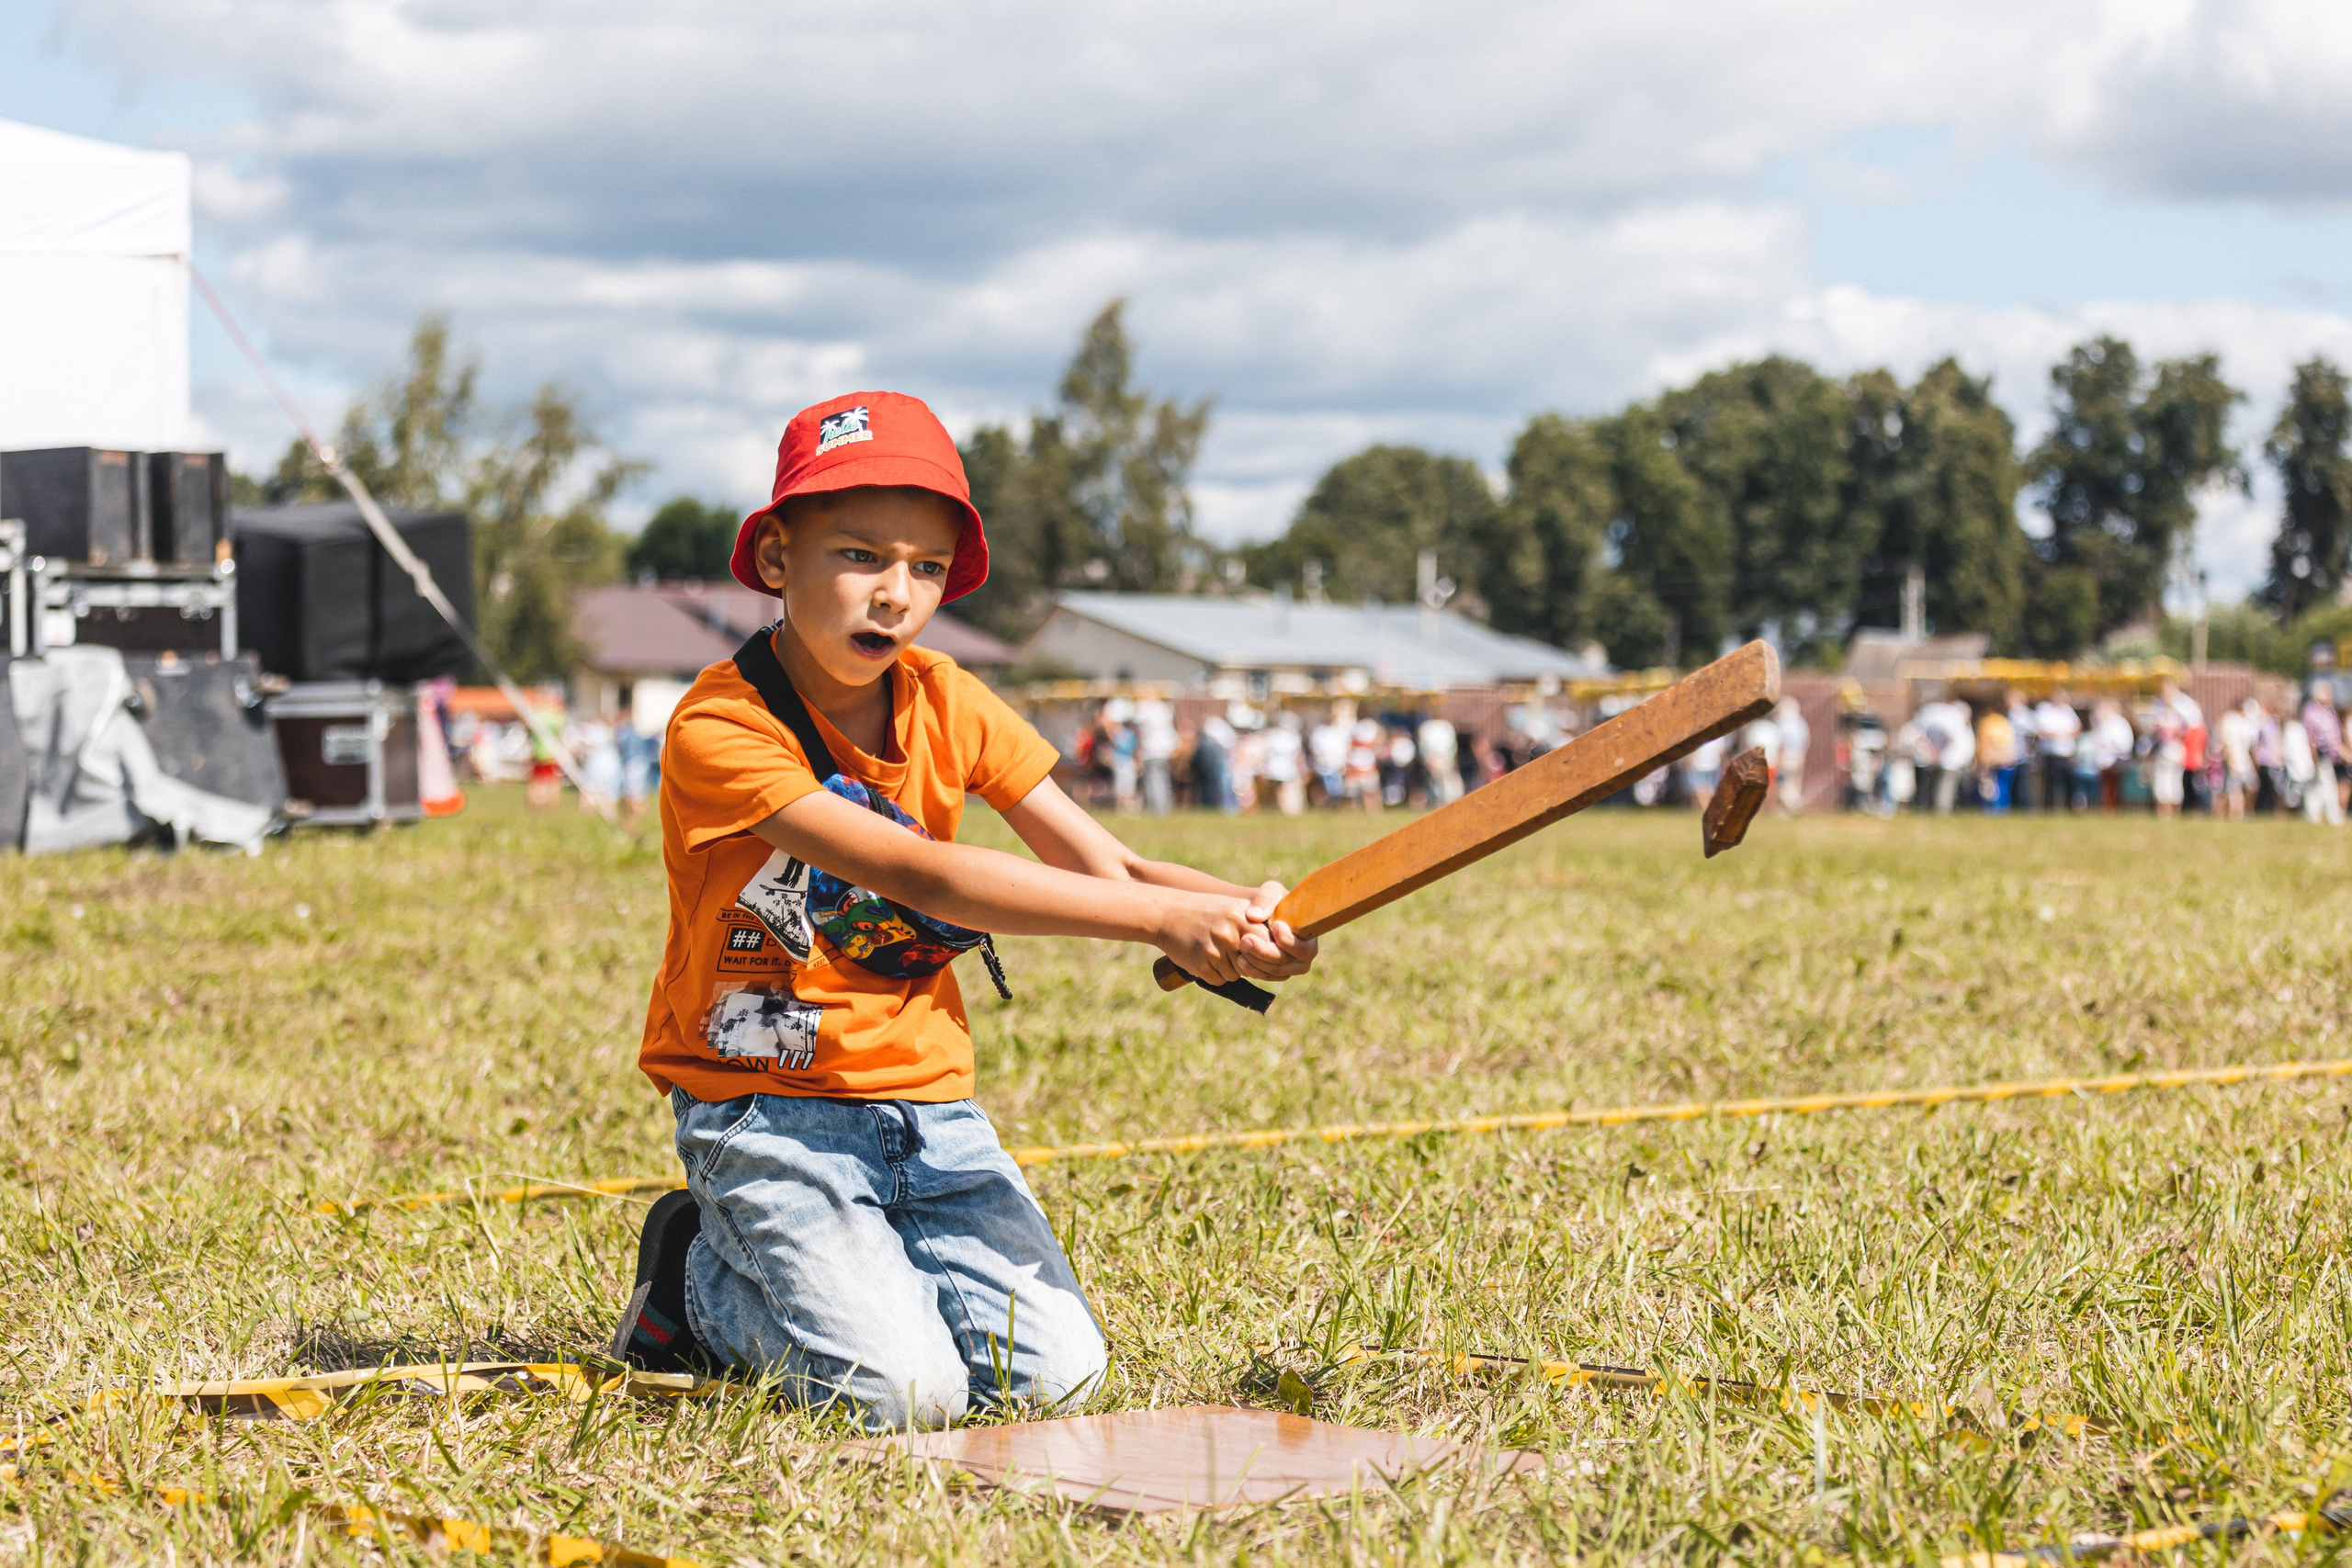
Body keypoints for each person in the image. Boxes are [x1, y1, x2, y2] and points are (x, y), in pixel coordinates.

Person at [614, 392, 1317, 1432]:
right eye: (859, 555)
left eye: (928, 567)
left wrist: (1250, 913)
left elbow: (1106, 862)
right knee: (900, 1396)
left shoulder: (951, 699)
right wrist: (1165, 925)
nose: (897, 594)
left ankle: (855, 1273)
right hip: (765, 1110)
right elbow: (920, 875)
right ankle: (691, 1282)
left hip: (928, 1111)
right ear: (774, 558)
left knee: (1057, 1383)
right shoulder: (719, 726)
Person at [2302, 680, 2345, 825]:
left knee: (2318, 786)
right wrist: (2312, 757)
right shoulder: (2311, 711)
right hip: (2320, 753)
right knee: (2328, 785)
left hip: (2330, 755)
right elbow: (2311, 737)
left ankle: (2313, 815)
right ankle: (2334, 816)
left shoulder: (2329, 711)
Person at [2035, 691, 2082, 811]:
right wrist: (2057, 734)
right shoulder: (2045, 710)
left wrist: (2063, 734)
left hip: (2066, 754)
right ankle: (2049, 808)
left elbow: (2077, 729)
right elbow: (2041, 731)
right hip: (2051, 754)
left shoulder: (2068, 711)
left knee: (2070, 782)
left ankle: (2070, 807)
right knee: (2050, 783)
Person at [2088, 699, 2134, 814]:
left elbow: (2123, 743)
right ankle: (2108, 808)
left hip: (2117, 759)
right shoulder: (2102, 722)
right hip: (2104, 760)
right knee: (2106, 785)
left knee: (2114, 786)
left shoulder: (2119, 723)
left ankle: (2114, 808)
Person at [1133, 695, 1177, 816]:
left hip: (1151, 751)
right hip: (1165, 750)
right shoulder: (1164, 709)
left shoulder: (1144, 709)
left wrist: (1138, 749)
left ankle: (1157, 809)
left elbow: (1140, 731)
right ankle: (1165, 807)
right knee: (1164, 780)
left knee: (1153, 780)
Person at [1975, 697, 2018, 814]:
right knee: (2002, 786)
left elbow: (1986, 741)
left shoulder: (1988, 722)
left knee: (1992, 787)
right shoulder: (2005, 722)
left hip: (1993, 759)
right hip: (2006, 759)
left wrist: (1983, 759)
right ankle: (2002, 808)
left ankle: (1993, 810)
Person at [2216, 698, 2256, 820]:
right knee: (2233, 790)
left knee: (2244, 788)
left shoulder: (2243, 721)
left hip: (2243, 761)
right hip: (2234, 761)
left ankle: (2239, 814)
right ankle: (2234, 816)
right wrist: (2230, 760)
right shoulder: (2230, 720)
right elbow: (2227, 743)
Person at [1772, 695, 1810, 814]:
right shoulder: (1800, 722)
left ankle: (1791, 806)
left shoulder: (1780, 721)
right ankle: (1793, 805)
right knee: (1792, 782)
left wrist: (1779, 758)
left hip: (1786, 756)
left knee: (1783, 782)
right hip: (1797, 755)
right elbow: (1806, 741)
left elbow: (1780, 742)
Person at [1417, 713, 1463, 804]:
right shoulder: (1426, 727)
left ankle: (1448, 802)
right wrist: (1428, 760)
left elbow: (1452, 747)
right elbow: (1423, 748)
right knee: (1435, 784)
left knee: (1447, 783)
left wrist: (1450, 760)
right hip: (1432, 758)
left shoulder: (1446, 726)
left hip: (1445, 758)